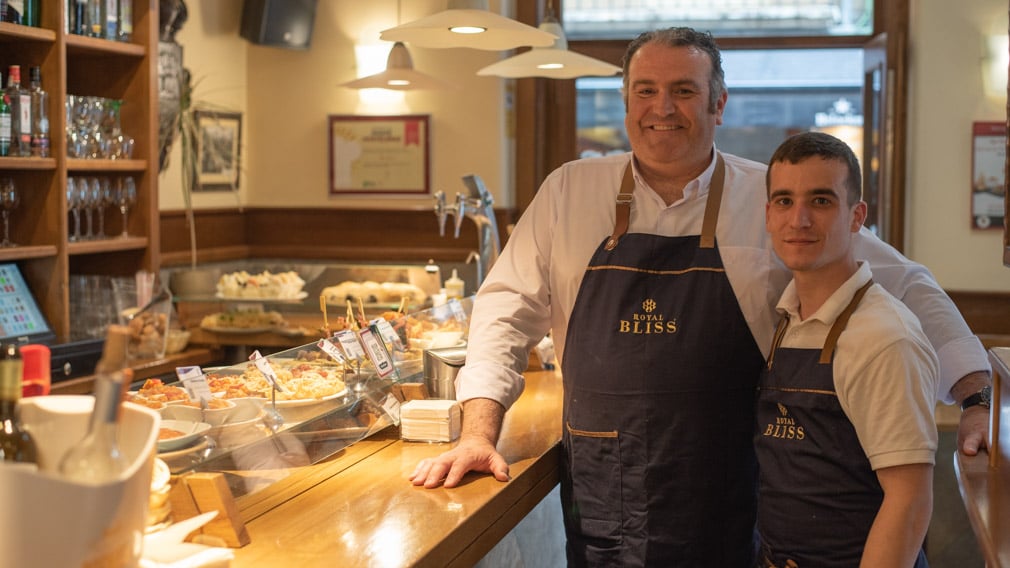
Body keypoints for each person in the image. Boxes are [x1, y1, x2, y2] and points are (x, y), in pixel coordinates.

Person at [409, 27, 991, 566]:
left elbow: (907, 283)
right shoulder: (568, 191)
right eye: (646, 90)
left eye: (684, 90)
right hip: (603, 488)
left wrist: (975, 397)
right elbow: (504, 310)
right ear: (627, 102)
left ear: (718, 104)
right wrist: (478, 432)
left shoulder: (770, 198)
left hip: (732, 486)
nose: (662, 108)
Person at [757, 131, 935, 567]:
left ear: (857, 216)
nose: (798, 220)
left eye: (820, 201)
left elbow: (909, 501)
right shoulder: (784, 319)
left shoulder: (883, 337)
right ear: (767, 214)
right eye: (784, 201)